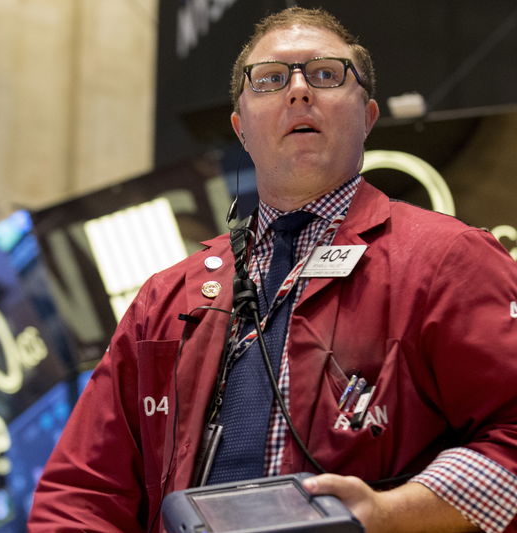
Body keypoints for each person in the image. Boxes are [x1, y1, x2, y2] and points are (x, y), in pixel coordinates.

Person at [28, 7, 517, 533]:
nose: (300, 91)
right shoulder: (164, 299)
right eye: (270, 80)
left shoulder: (448, 258)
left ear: (368, 116)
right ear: (240, 127)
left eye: (327, 75)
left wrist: (390, 516)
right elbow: (82, 493)